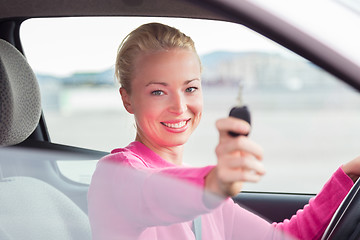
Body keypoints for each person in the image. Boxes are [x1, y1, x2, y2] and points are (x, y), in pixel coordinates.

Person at [88, 22, 360, 240]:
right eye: (158, 91)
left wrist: (347, 175)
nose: (180, 106)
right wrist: (216, 183)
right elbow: (155, 193)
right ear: (127, 99)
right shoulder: (117, 174)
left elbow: (282, 237)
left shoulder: (211, 203)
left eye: (190, 88)